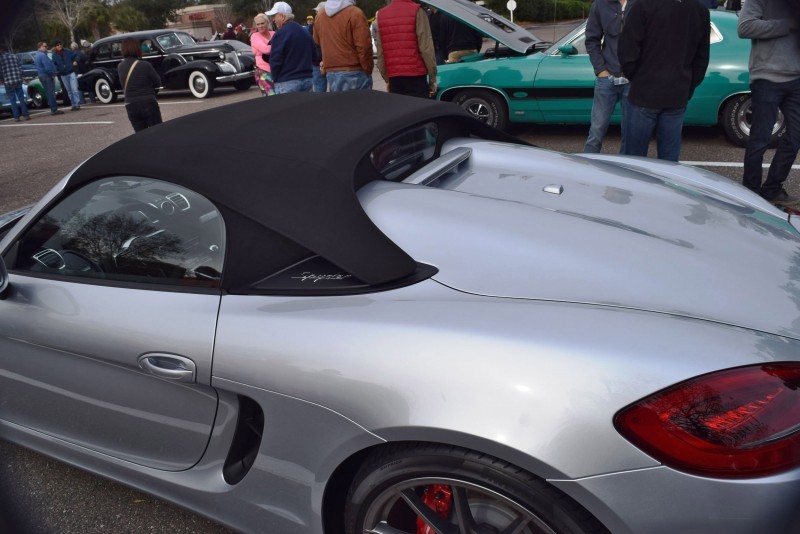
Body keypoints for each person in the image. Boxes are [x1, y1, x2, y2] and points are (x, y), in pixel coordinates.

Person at [618, 0, 710, 162]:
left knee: (633, 161)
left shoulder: (643, 5)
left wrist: (636, 78)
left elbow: (627, 49)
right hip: (677, 94)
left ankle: (635, 188)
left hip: (644, 93)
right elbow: (701, 59)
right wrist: (688, 86)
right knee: (669, 162)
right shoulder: (700, 10)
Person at [738, 0, 800, 207]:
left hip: (796, 78)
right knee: (760, 139)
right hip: (766, 77)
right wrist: (787, 24)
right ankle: (751, 192)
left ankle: (773, 188)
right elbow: (745, 27)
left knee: (795, 137)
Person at [584, 0, 636, 154]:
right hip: (608, 79)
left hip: (633, 81)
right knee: (596, 131)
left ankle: (627, 172)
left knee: (630, 133)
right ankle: (586, 170)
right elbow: (591, 40)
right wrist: (601, 71)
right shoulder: (600, 4)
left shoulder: (640, 3)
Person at [374, 0, 437, 98]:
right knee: (420, 110)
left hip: (395, 77)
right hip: (416, 75)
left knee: (400, 110)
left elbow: (380, 51)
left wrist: (387, 78)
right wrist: (432, 77)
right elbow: (426, 48)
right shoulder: (417, 11)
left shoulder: (381, 14)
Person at [313, 0, 373, 91]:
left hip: (331, 71)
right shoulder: (355, 13)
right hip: (354, 71)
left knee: (339, 104)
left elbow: (316, 40)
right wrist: (368, 68)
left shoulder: (320, 15)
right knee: (361, 104)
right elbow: (364, 46)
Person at [266, 1, 314, 93]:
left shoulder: (280, 34)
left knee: (288, 107)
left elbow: (275, 60)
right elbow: (314, 55)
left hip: (287, 81)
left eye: (275, 16)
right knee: (307, 107)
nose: (273, 20)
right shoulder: (305, 32)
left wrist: (274, 77)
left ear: (283, 17)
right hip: (307, 79)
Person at [117, 37, 162, 132]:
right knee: (158, 133)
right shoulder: (145, 65)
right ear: (137, 49)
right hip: (147, 101)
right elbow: (158, 82)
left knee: (140, 136)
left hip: (130, 104)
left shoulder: (120, 66)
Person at [0, 45, 31, 122]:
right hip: (18, 79)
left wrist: (2, 80)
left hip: (8, 81)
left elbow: (0, 73)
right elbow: (20, 68)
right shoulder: (14, 56)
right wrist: (20, 77)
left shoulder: (1, 59)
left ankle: (16, 117)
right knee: (21, 98)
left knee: (12, 99)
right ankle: (26, 114)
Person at [33, 41, 63, 115]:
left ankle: (53, 108)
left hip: (42, 75)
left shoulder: (37, 55)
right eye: (45, 46)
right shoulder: (43, 55)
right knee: (51, 93)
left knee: (48, 92)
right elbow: (47, 67)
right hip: (46, 75)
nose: (47, 48)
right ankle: (54, 109)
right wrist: (53, 74)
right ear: (40, 47)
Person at [51, 40, 82, 111]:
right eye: (57, 45)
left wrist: (75, 61)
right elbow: (54, 64)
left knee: (74, 89)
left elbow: (77, 55)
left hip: (71, 72)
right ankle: (73, 104)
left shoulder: (68, 51)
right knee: (69, 91)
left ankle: (77, 104)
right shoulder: (54, 55)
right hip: (63, 75)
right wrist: (57, 70)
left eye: (60, 44)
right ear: (55, 46)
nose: (59, 46)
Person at [251, 13, 275, 96]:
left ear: (267, 23)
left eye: (262, 23)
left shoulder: (274, 34)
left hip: (277, 70)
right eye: (258, 24)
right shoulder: (254, 36)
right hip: (263, 71)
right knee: (271, 97)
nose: (260, 26)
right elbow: (265, 50)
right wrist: (278, 46)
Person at [310, 3, 328, 92]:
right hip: (318, 62)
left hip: (320, 63)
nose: (316, 14)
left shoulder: (326, 25)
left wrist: (323, 59)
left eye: (318, 11)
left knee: (319, 91)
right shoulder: (315, 25)